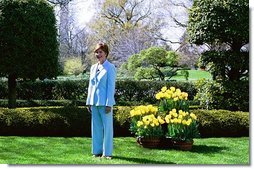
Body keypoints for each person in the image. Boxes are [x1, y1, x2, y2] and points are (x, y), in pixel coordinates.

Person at [86, 42, 116, 160]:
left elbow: (111, 87)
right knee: (96, 128)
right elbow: (91, 86)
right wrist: (89, 101)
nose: (98, 54)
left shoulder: (110, 67)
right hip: (94, 102)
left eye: (101, 52)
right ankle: (97, 151)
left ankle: (107, 153)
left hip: (105, 103)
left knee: (107, 128)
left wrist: (109, 103)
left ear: (106, 53)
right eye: (97, 52)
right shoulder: (93, 67)